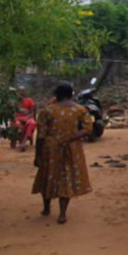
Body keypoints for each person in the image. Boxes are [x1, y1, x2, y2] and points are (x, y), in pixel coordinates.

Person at [31, 82, 93, 224]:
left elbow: (41, 135)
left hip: (50, 148)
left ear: (56, 95)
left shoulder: (47, 111)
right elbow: (88, 128)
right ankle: (62, 214)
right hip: (71, 149)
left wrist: (37, 155)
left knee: (47, 176)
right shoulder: (80, 110)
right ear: (71, 94)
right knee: (66, 179)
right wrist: (72, 137)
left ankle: (46, 208)